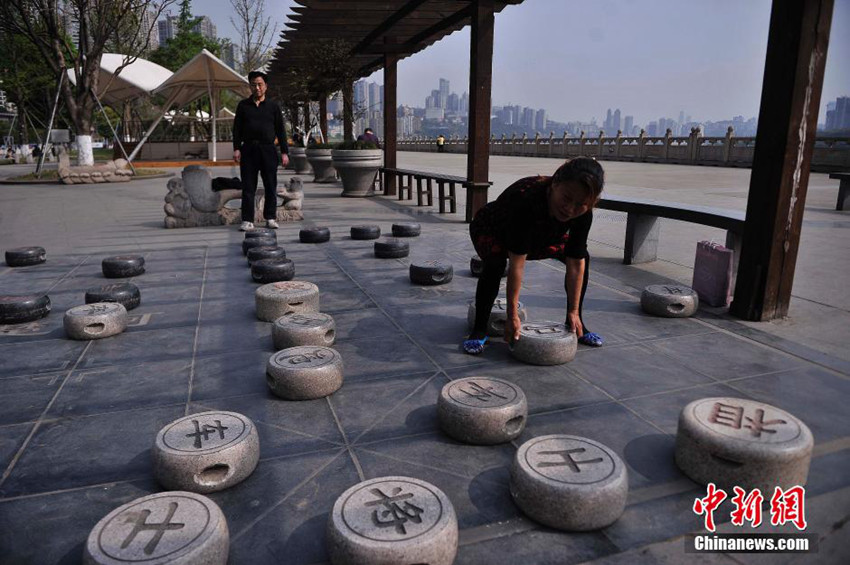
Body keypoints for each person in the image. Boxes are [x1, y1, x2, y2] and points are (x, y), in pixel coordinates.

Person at [463, 157, 606, 355]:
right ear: (555, 184)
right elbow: (517, 264)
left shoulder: (583, 213)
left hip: (542, 236)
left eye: (581, 203)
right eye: (566, 198)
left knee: (583, 257)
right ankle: (479, 330)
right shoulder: (525, 200)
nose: (570, 209)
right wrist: (512, 316)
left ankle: (574, 321)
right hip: (493, 229)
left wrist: (573, 310)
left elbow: (576, 262)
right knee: (495, 264)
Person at [233, 70, 289, 231]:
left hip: (268, 149)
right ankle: (247, 219)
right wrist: (237, 148)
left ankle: (270, 217)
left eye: (260, 84)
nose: (257, 88)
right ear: (250, 86)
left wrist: (284, 152)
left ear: (266, 86)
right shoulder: (243, 106)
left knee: (270, 185)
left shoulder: (273, 106)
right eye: (253, 85)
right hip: (248, 149)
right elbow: (237, 129)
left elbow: (281, 130)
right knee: (248, 186)